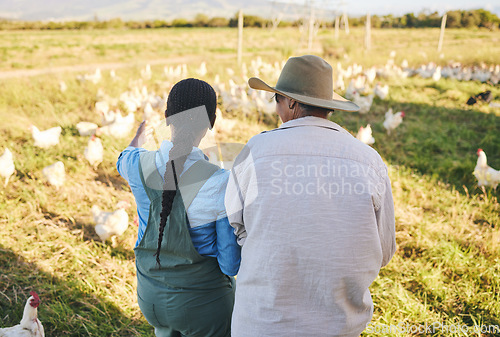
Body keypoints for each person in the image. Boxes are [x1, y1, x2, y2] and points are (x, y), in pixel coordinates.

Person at [225, 55, 396, 337]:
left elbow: (236, 225)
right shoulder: (369, 161)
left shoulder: (256, 150)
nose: (277, 108)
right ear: (327, 107)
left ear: (291, 102)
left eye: (276, 100)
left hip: (261, 322)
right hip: (340, 325)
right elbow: (384, 249)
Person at [117, 78, 241, 337]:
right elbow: (230, 265)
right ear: (211, 123)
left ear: (167, 117)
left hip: (150, 300)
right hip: (203, 308)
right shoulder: (221, 182)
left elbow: (123, 157)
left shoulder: (135, 164)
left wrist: (137, 138)